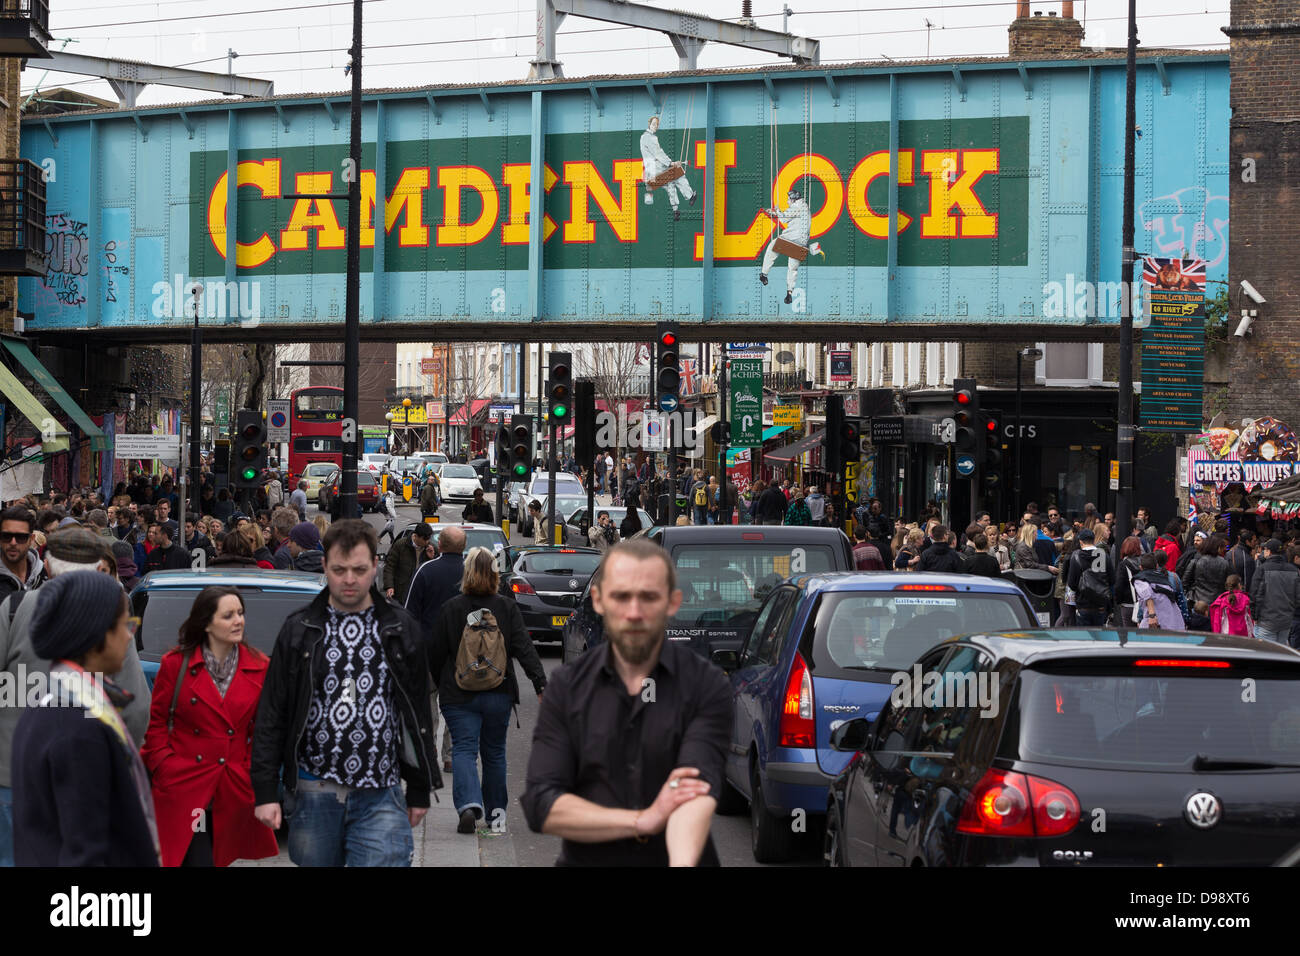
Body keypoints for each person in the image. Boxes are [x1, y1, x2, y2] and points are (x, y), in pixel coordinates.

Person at [521, 539, 730, 865]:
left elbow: (693, 793)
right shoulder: (567, 687)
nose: (634, 612)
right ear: (599, 600)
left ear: (672, 602)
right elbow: (543, 803)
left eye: (648, 597)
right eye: (621, 596)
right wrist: (641, 820)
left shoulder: (706, 685)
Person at [250, 519, 439, 867]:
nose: (349, 579)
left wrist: (419, 785)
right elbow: (273, 712)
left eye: (359, 569)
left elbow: (416, 711)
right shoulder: (299, 629)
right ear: (324, 566)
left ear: (375, 566)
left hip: (381, 791)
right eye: (339, 569)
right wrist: (265, 791)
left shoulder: (399, 628)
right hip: (314, 791)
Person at [10, 571, 160, 866]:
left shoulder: (53, 700)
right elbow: (86, 851)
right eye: (124, 625)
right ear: (94, 636)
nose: (130, 634)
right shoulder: (77, 725)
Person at [140, 586, 278, 867]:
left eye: (240, 613)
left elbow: (262, 732)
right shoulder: (175, 664)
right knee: (195, 859)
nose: (238, 620)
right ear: (205, 623)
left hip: (232, 786)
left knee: (217, 858)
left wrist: (248, 769)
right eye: (228, 615)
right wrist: (166, 766)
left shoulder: (260, 666)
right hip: (186, 783)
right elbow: (156, 724)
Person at [428, 547, 545, 835]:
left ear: (466, 573)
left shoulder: (452, 608)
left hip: (458, 694)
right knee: (494, 753)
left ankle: (468, 805)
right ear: (495, 575)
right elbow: (523, 647)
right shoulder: (506, 607)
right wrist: (540, 682)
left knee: (464, 749)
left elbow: (434, 653)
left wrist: (439, 683)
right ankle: (496, 816)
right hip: (498, 691)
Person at [404, 525, 466, 774]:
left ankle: (428, 752)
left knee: (428, 704)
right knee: (455, 704)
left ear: (440, 546)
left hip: (428, 650)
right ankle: (450, 756)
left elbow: (409, 612)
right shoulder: (470, 572)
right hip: (461, 652)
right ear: (463, 547)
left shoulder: (426, 570)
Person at [759, 188, 822, 305]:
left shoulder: (797, 206)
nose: (787, 201)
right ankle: (789, 293)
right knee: (793, 268)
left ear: (793, 199)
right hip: (802, 244)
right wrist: (776, 212)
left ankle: (764, 273)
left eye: (788, 199)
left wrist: (776, 211)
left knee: (772, 247)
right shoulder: (805, 207)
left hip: (790, 240)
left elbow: (784, 218)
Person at [639, 114, 695, 220]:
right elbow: (658, 153)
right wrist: (671, 163)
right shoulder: (650, 137)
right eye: (654, 124)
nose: (655, 126)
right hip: (656, 171)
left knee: (671, 183)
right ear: (649, 124)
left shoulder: (644, 138)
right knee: (678, 173)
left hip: (650, 175)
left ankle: (675, 210)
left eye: (657, 124)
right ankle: (690, 195)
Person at [1248, 539, 1300, 644]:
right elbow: (1298, 597)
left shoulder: (1262, 569)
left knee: (1265, 653)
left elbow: (1254, 594)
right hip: (1286, 620)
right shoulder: (1294, 570)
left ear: (1269, 551)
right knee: (1281, 652)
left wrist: (1255, 616)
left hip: (1266, 621)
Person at [1065, 528, 1114, 626]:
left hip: (1083, 604)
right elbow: (1112, 580)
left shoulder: (1076, 556)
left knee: (1084, 637)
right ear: (1094, 540)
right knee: (1100, 636)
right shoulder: (1104, 555)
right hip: (1101, 604)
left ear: (1080, 541)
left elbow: (1072, 584)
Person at [384, 521, 434, 605]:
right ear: (416, 536)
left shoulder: (430, 548)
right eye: (425, 539)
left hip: (421, 592)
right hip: (402, 592)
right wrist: (389, 586)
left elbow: (436, 569)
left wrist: (432, 557)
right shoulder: (401, 545)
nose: (427, 541)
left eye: (429, 538)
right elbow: (390, 566)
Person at [1132, 552, 1185, 630]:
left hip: (1155, 623)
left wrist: (1152, 615)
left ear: (1141, 567)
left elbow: (1147, 593)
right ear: (1156, 566)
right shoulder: (1165, 580)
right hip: (1174, 623)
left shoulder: (1140, 579)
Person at [0, 507, 43, 600]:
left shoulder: (44, 574)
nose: (13, 543)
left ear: (31, 539)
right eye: (6, 536)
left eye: (21, 537)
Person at [1184, 535, 1229, 608]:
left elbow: (1185, 581)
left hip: (1199, 602)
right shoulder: (1225, 563)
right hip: (1218, 602)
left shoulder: (1196, 562)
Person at [1112, 536, 1145, 626]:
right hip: (1145, 604)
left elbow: (1119, 586)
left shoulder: (1123, 565)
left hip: (1128, 604)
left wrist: (1118, 601)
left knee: (1130, 633)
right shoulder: (1144, 562)